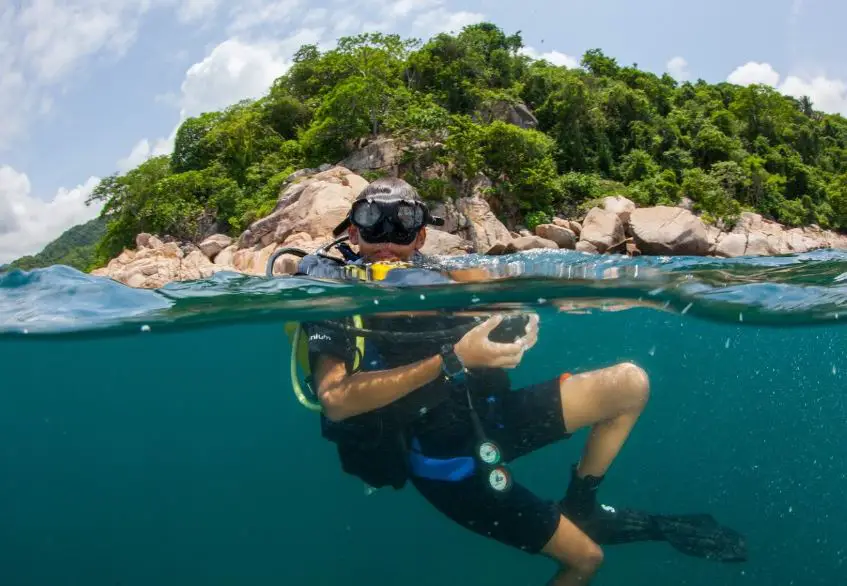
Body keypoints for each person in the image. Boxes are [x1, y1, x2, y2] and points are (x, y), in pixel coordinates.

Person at [295, 177, 746, 585]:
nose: (387, 244)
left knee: (630, 384)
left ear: (421, 235)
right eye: (373, 227)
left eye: (403, 228)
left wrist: (516, 314)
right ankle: (581, 533)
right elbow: (335, 400)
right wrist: (452, 359)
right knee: (585, 561)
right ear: (352, 232)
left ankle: (581, 506)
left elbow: (501, 295)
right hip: (445, 463)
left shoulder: (444, 275)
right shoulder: (334, 291)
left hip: (490, 419)